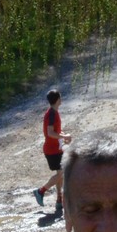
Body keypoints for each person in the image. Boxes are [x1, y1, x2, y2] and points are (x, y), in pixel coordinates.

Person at [33, 88, 71, 216]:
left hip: (55, 148)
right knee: (61, 173)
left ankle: (59, 200)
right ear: (58, 99)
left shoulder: (53, 112)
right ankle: (41, 191)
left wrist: (63, 135)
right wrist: (64, 137)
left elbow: (54, 131)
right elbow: (50, 133)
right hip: (52, 150)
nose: (61, 99)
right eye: (60, 97)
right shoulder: (52, 114)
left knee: (60, 174)